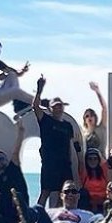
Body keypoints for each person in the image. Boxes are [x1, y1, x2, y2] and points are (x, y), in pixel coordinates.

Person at [32, 75, 81, 206]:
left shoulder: (68, 125)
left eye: (60, 106)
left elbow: (69, 147)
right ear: (50, 108)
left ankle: (60, 219)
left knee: (64, 192)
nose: (58, 108)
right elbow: (35, 107)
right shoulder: (46, 120)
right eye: (55, 106)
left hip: (64, 165)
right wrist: (39, 90)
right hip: (49, 164)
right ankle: (37, 219)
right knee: (45, 192)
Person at [81, 81, 108, 154]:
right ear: (84, 120)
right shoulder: (83, 134)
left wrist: (97, 91)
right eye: (87, 116)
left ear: (95, 118)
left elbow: (104, 108)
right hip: (88, 163)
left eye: (92, 115)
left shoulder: (101, 128)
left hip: (101, 162)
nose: (89, 117)